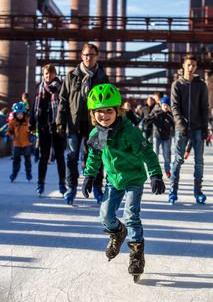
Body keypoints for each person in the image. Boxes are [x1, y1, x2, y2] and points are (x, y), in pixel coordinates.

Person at [81, 83, 165, 281]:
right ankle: (118, 233)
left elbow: (147, 152)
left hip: (134, 179)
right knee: (104, 216)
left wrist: (155, 174)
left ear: (117, 111)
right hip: (113, 180)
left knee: (131, 216)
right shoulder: (98, 133)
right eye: (99, 112)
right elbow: (93, 156)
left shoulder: (129, 131)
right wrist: (89, 176)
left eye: (109, 111)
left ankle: (136, 253)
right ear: (93, 114)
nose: (104, 116)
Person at [56, 42, 109, 205]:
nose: (88, 58)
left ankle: (97, 188)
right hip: (74, 123)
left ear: (97, 56)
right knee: (71, 157)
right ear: (81, 56)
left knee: (97, 157)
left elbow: (109, 103)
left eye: (91, 55)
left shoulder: (102, 77)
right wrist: (60, 122)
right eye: (86, 55)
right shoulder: (71, 76)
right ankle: (71, 189)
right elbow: (63, 100)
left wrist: (108, 123)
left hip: (97, 124)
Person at [169, 54, 209, 205]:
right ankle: (173, 191)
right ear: (183, 66)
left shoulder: (201, 85)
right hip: (182, 129)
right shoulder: (177, 85)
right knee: (178, 160)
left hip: (198, 128)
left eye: (193, 65)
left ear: (196, 67)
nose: (191, 67)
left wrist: (205, 127)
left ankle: (198, 192)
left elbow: (204, 108)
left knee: (199, 161)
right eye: (188, 65)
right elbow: (175, 107)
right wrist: (180, 124)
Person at [29, 64, 66, 196]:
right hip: (43, 126)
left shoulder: (61, 87)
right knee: (43, 157)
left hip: (58, 126)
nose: (48, 76)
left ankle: (62, 183)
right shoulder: (40, 88)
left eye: (50, 73)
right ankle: (40, 183)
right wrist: (32, 124)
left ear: (55, 74)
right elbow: (34, 107)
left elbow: (65, 106)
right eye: (45, 74)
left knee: (60, 156)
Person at [144, 95, 174, 178]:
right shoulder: (156, 112)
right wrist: (154, 116)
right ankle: (155, 171)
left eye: (167, 105)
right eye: (164, 104)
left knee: (166, 155)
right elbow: (147, 121)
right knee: (155, 154)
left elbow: (175, 124)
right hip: (156, 136)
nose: (165, 106)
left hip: (166, 137)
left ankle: (167, 170)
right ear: (161, 105)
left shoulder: (170, 115)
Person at [7, 102, 32, 182]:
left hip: (26, 143)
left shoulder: (28, 121)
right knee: (16, 159)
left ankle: (28, 173)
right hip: (17, 143)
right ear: (15, 114)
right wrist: (8, 135)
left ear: (24, 113)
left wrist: (33, 135)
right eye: (18, 114)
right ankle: (14, 173)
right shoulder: (13, 122)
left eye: (21, 114)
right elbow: (10, 130)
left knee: (27, 159)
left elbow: (33, 130)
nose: (19, 115)